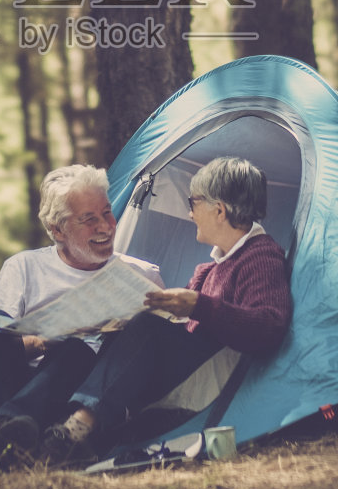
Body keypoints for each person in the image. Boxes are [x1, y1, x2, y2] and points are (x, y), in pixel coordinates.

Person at [0, 164, 164, 474]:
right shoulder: (24, 267)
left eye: (107, 213)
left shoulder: (142, 275)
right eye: (89, 219)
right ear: (57, 229)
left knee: (77, 350)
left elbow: (149, 355)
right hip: (17, 383)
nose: (106, 227)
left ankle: (2, 433)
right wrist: (42, 340)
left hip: (72, 400)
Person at [41, 156, 291, 463]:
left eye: (193, 202)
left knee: (148, 328)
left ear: (219, 210)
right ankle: (61, 427)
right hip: (191, 374)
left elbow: (269, 326)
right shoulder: (208, 270)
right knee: (116, 333)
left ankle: (77, 430)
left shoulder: (261, 256)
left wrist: (200, 306)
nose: (189, 212)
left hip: (217, 382)